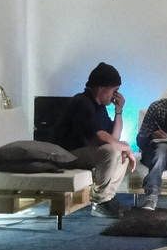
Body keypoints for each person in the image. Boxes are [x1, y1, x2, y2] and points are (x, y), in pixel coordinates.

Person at [54, 62, 136, 218]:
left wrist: (119, 111)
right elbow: (98, 136)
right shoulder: (82, 102)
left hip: (86, 153)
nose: (115, 95)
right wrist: (124, 147)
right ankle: (99, 202)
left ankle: (107, 198)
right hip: (67, 154)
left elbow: (114, 138)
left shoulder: (100, 107)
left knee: (121, 151)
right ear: (102, 88)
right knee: (111, 150)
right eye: (114, 90)